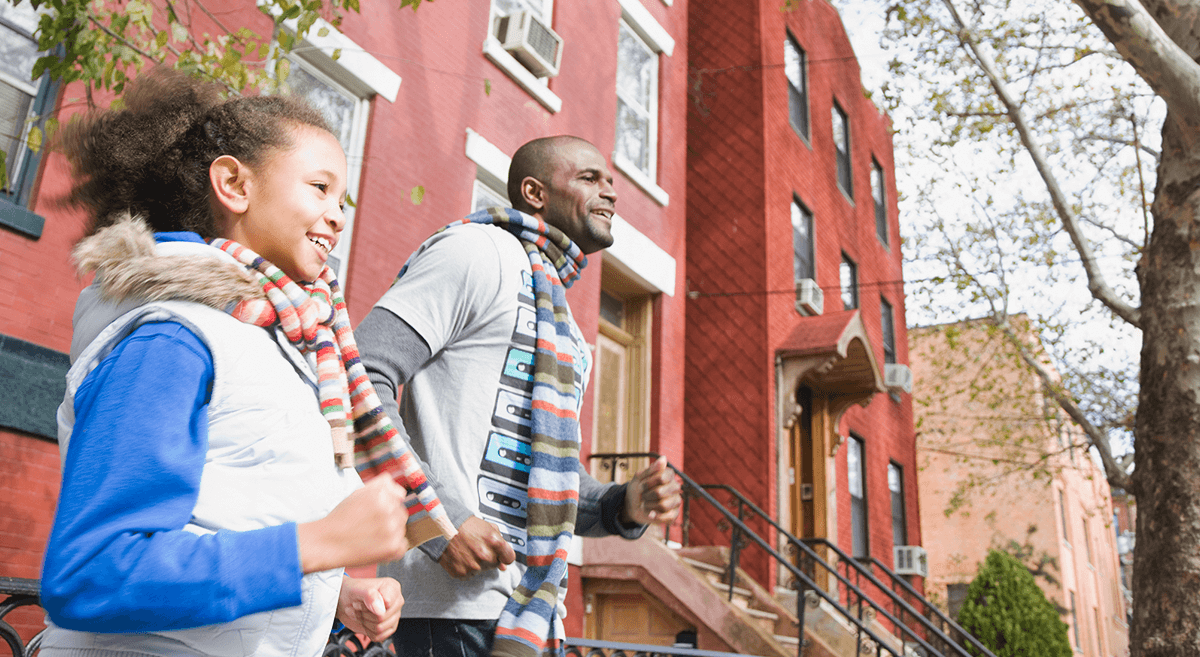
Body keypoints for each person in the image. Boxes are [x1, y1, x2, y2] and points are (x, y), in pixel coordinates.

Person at [38, 69, 425, 657]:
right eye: (320, 188)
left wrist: (329, 590)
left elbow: (230, 516)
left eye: (342, 199)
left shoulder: (278, 344)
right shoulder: (171, 338)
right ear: (234, 185)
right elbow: (94, 571)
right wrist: (315, 546)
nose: (338, 215)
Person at [355, 135, 683, 657]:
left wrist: (624, 504)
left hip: (530, 616)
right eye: (590, 178)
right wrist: (439, 519)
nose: (611, 192)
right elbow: (360, 376)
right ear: (534, 192)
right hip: (451, 609)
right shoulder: (475, 252)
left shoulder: (568, 335)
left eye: (612, 181)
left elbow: (552, 481)